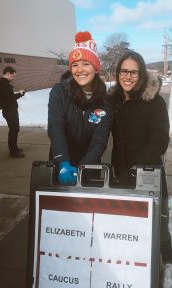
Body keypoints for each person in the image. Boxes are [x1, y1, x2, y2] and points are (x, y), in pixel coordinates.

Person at [109, 51, 172, 288]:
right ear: (117, 74)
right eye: (123, 71)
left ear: (141, 73)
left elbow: (159, 140)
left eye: (133, 71)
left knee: (159, 221)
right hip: (119, 172)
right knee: (129, 223)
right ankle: (136, 266)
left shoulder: (154, 102)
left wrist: (136, 169)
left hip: (148, 172)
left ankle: (168, 261)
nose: (128, 76)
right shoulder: (113, 100)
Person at [48, 31, 113, 185]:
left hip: (89, 167)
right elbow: (55, 127)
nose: (80, 70)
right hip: (62, 165)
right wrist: (63, 162)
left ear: (96, 68)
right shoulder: (59, 92)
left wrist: (82, 169)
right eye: (75, 65)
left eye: (86, 63)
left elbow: (99, 141)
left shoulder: (105, 103)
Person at [0, 66, 25, 158]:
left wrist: (18, 94)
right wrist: (19, 94)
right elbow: (9, 99)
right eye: (13, 76)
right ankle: (13, 152)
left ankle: (15, 148)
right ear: (8, 74)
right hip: (9, 112)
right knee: (13, 131)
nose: (13, 78)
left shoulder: (5, 83)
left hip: (11, 111)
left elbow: (8, 97)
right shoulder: (2, 85)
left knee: (15, 130)